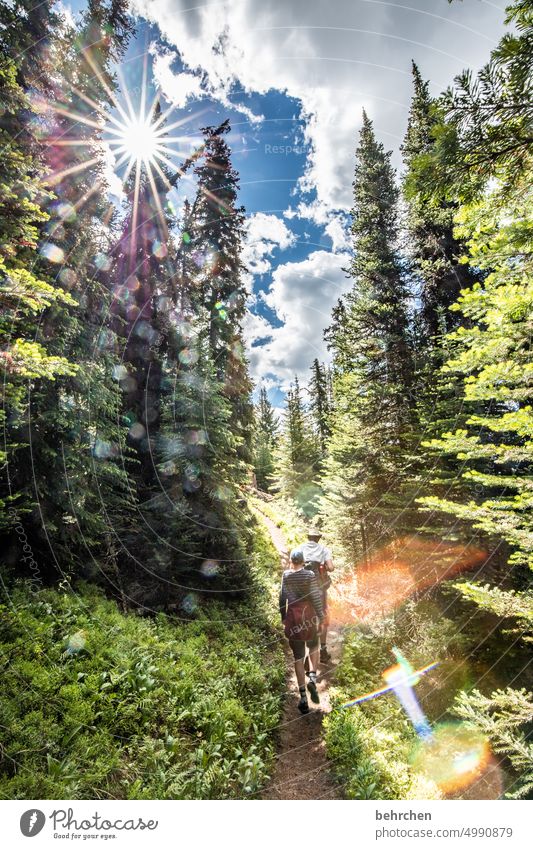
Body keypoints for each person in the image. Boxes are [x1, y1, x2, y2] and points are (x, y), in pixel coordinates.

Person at [279, 549, 324, 714]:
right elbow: (315, 596)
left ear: (291, 561)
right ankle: (312, 677)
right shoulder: (309, 575)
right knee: (314, 646)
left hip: (293, 617)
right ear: (303, 561)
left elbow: (282, 597)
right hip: (309, 616)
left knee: (298, 657)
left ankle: (303, 698)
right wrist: (321, 615)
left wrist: (284, 618)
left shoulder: (286, 576)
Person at [300, 527, 334, 662]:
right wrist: (326, 567)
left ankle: (309, 652)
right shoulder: (324, 550)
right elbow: (331, 567)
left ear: (308, 537)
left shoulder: (300, 548)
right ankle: (323, 651)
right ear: (318, 538)